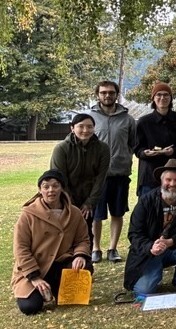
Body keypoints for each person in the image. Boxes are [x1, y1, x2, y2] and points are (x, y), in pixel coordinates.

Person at [11, 170, 92, 315]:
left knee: (85, 267)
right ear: (39, 190)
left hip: (60, 264)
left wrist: (80, 255)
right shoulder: (28, 215)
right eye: (46, 186)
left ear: (62, 188)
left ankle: (57, 288)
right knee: (30, 307)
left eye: (55, 186)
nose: (51, 190)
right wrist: (35, 278)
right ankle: (40, 290)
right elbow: (20, 248)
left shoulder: (74, 213)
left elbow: (83, 240)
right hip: (34, 268)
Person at [124, 159, 176, 295]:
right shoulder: (146, 201)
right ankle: (154, 269)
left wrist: (171, 241)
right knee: (144, 290)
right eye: (168, 180)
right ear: (161, 181)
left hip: (174, 246)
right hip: (150, 251)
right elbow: (134, 233)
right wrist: (151, 247)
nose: (172, 184)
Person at [87, 80, 137, 263]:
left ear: (117, 94)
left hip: (120, 174)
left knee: (117, 213)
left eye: (111, 92)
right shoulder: (90, 117)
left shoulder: (128, 119)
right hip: (96, 176)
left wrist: (123, 158)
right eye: (103, 92)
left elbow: (133, 143)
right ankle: (96, 248)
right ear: (98, 95)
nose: (107, 95)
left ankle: (113, 249)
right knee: (96, 215)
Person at [50, 113, 109, 243]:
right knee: (65, 236)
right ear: (72, 128)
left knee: (86, 235)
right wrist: (70, 204)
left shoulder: (102, 149)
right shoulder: (61, 148)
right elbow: (59, 179)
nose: (85, 130)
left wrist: (89, 203)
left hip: (88, 201)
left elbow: (101, 178)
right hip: (65, 200)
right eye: (80, 126)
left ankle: (85, 260)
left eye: (89, 127)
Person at [134, 81, 176, 197]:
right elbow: (137, 148)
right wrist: (145, 153)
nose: (162, 98)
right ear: (153, 98)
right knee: (149, 211)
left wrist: (173, 151)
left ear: (171, 98)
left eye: (166, 95)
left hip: (175, 173)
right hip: (149, 174)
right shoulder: (144, 122)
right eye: (158, 95)